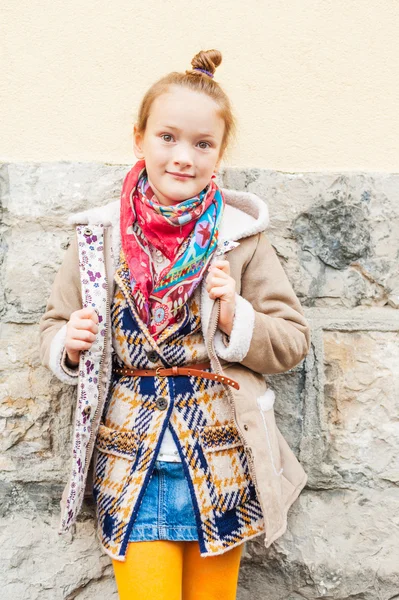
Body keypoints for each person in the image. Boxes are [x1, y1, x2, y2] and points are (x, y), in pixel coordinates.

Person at [39, 48, 311, 600]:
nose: (183, 156)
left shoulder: (241, 240)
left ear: (219, 154)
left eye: (202, 143)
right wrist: (68, 346)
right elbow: (54, 323)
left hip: (219, 460)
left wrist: (237, 316)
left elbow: (292, 342)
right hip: (129, 462)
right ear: (139, 138)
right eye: (168, 138)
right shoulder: (99, 238)